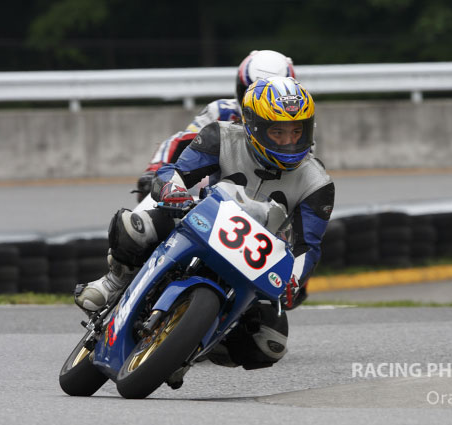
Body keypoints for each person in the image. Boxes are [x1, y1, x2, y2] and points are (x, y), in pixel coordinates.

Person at [75, 76, 335, 370]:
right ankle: (114, 281)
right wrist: (172, 189)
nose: (289, 142)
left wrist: (293, 279)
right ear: (254, 126)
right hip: (205, 219)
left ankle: (205, 340)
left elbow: (308, 245)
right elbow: (175, 171)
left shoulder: (318, 182)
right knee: (135, 226)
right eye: (278, 132)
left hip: (257, 257)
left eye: (297, 131)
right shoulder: (221, 136)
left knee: (269, 343)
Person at [134, 50, 296, 203]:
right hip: (218, 203)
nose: (258, 102)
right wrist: (154, 171)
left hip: (277, 205)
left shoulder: (299, 124)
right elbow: (182, 141)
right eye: (250, 92)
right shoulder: (221, 111)